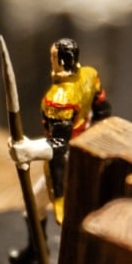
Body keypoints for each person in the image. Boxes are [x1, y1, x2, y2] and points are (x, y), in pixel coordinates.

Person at [9, 37, 110, 223]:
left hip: (68, 161)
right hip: (87, 150)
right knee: (38, 205)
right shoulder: (90, 75)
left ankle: (48, 236)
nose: (51, 61)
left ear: (61, 61)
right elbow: (103, 111)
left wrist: (29, 150)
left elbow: (59, 145)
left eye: (53, 57)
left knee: (44, 205)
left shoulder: (59, 98)